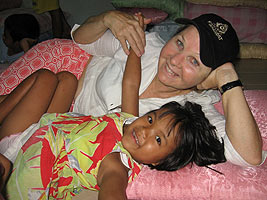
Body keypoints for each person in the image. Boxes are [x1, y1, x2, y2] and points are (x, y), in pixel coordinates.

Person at [0, 11, 264, 169]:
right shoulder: (146, 44)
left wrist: (229, 79)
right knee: (57, 79)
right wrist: (107, 19)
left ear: (210, 76)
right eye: (180, 43)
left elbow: (249, 156)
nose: (174, 60)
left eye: (194, 61)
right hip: (63, 79)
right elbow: (80, 39)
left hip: (61, 129)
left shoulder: (194, 111)